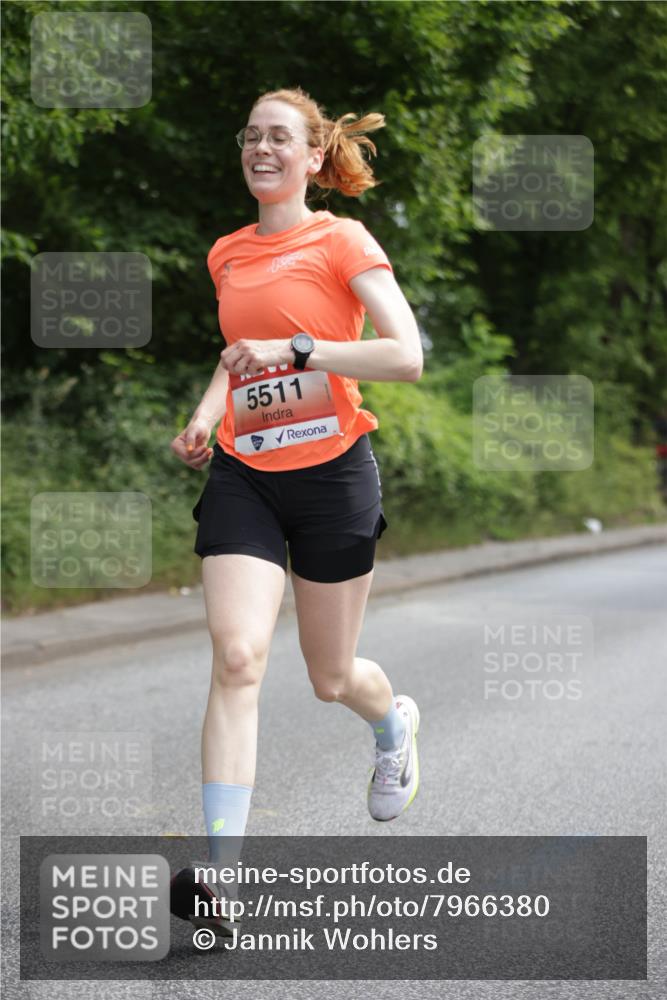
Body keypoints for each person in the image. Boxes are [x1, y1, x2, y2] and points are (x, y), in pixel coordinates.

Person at [169, 86, 423, 938]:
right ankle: (223, 880)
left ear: (314, 158)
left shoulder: (341, 239)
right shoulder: (226, 254)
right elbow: (236, 355)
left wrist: (301, 347)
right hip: (246, 471)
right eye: (250, 136)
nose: (260, 149)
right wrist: (208, 412)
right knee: (237, 657)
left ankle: (391, 723)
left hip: (333, 476)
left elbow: (405, 355)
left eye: (280, 137)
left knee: (328, 678)